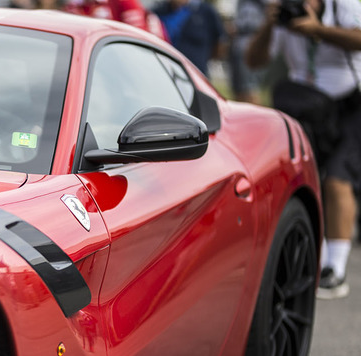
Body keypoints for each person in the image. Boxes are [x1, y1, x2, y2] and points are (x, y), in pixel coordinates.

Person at [246, 0, 361, 299]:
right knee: (303, 182)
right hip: (306, 108)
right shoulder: (284, 18)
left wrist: (318, 30)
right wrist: (270, 25)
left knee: (337, 179)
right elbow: (254, 60)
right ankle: (314, 259)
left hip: (348, 105)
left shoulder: (344, 7)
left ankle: (334, 268)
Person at [153, 0, 227, 78]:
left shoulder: (206, 11)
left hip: (196, 75)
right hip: (165, 72)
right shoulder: (159, 12)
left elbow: (220, 42)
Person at [229, 0, 267, 103]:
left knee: (250, 89)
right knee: (239, 89)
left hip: (252, 42)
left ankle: (254, 118)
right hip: (238, 43)